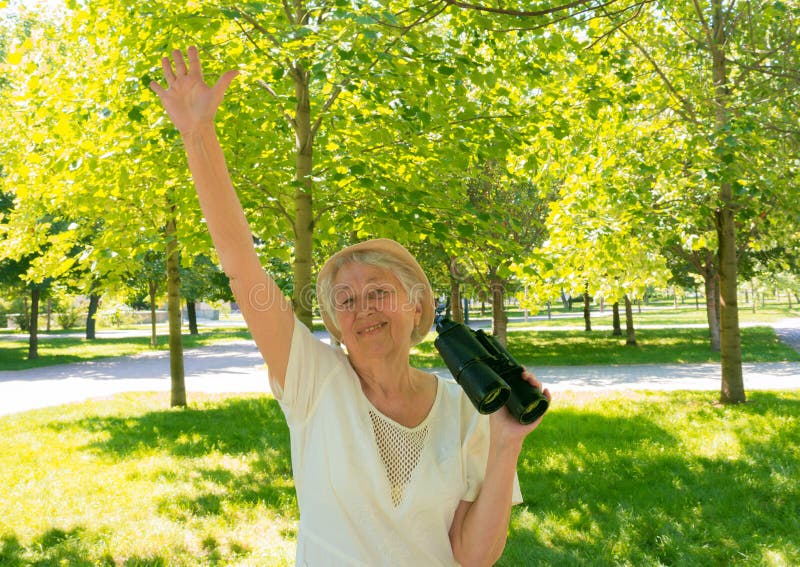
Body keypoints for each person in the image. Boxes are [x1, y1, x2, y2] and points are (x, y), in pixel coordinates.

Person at [150, 46, 551, 567]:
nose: (363, 309)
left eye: (379, 292)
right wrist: (197, 133)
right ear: (335, 325)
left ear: (415, 306)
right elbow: (240, 262)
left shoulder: (467, 408)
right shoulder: (312, 382)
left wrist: (505, 442)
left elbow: (473, 556)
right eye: (345, 299)